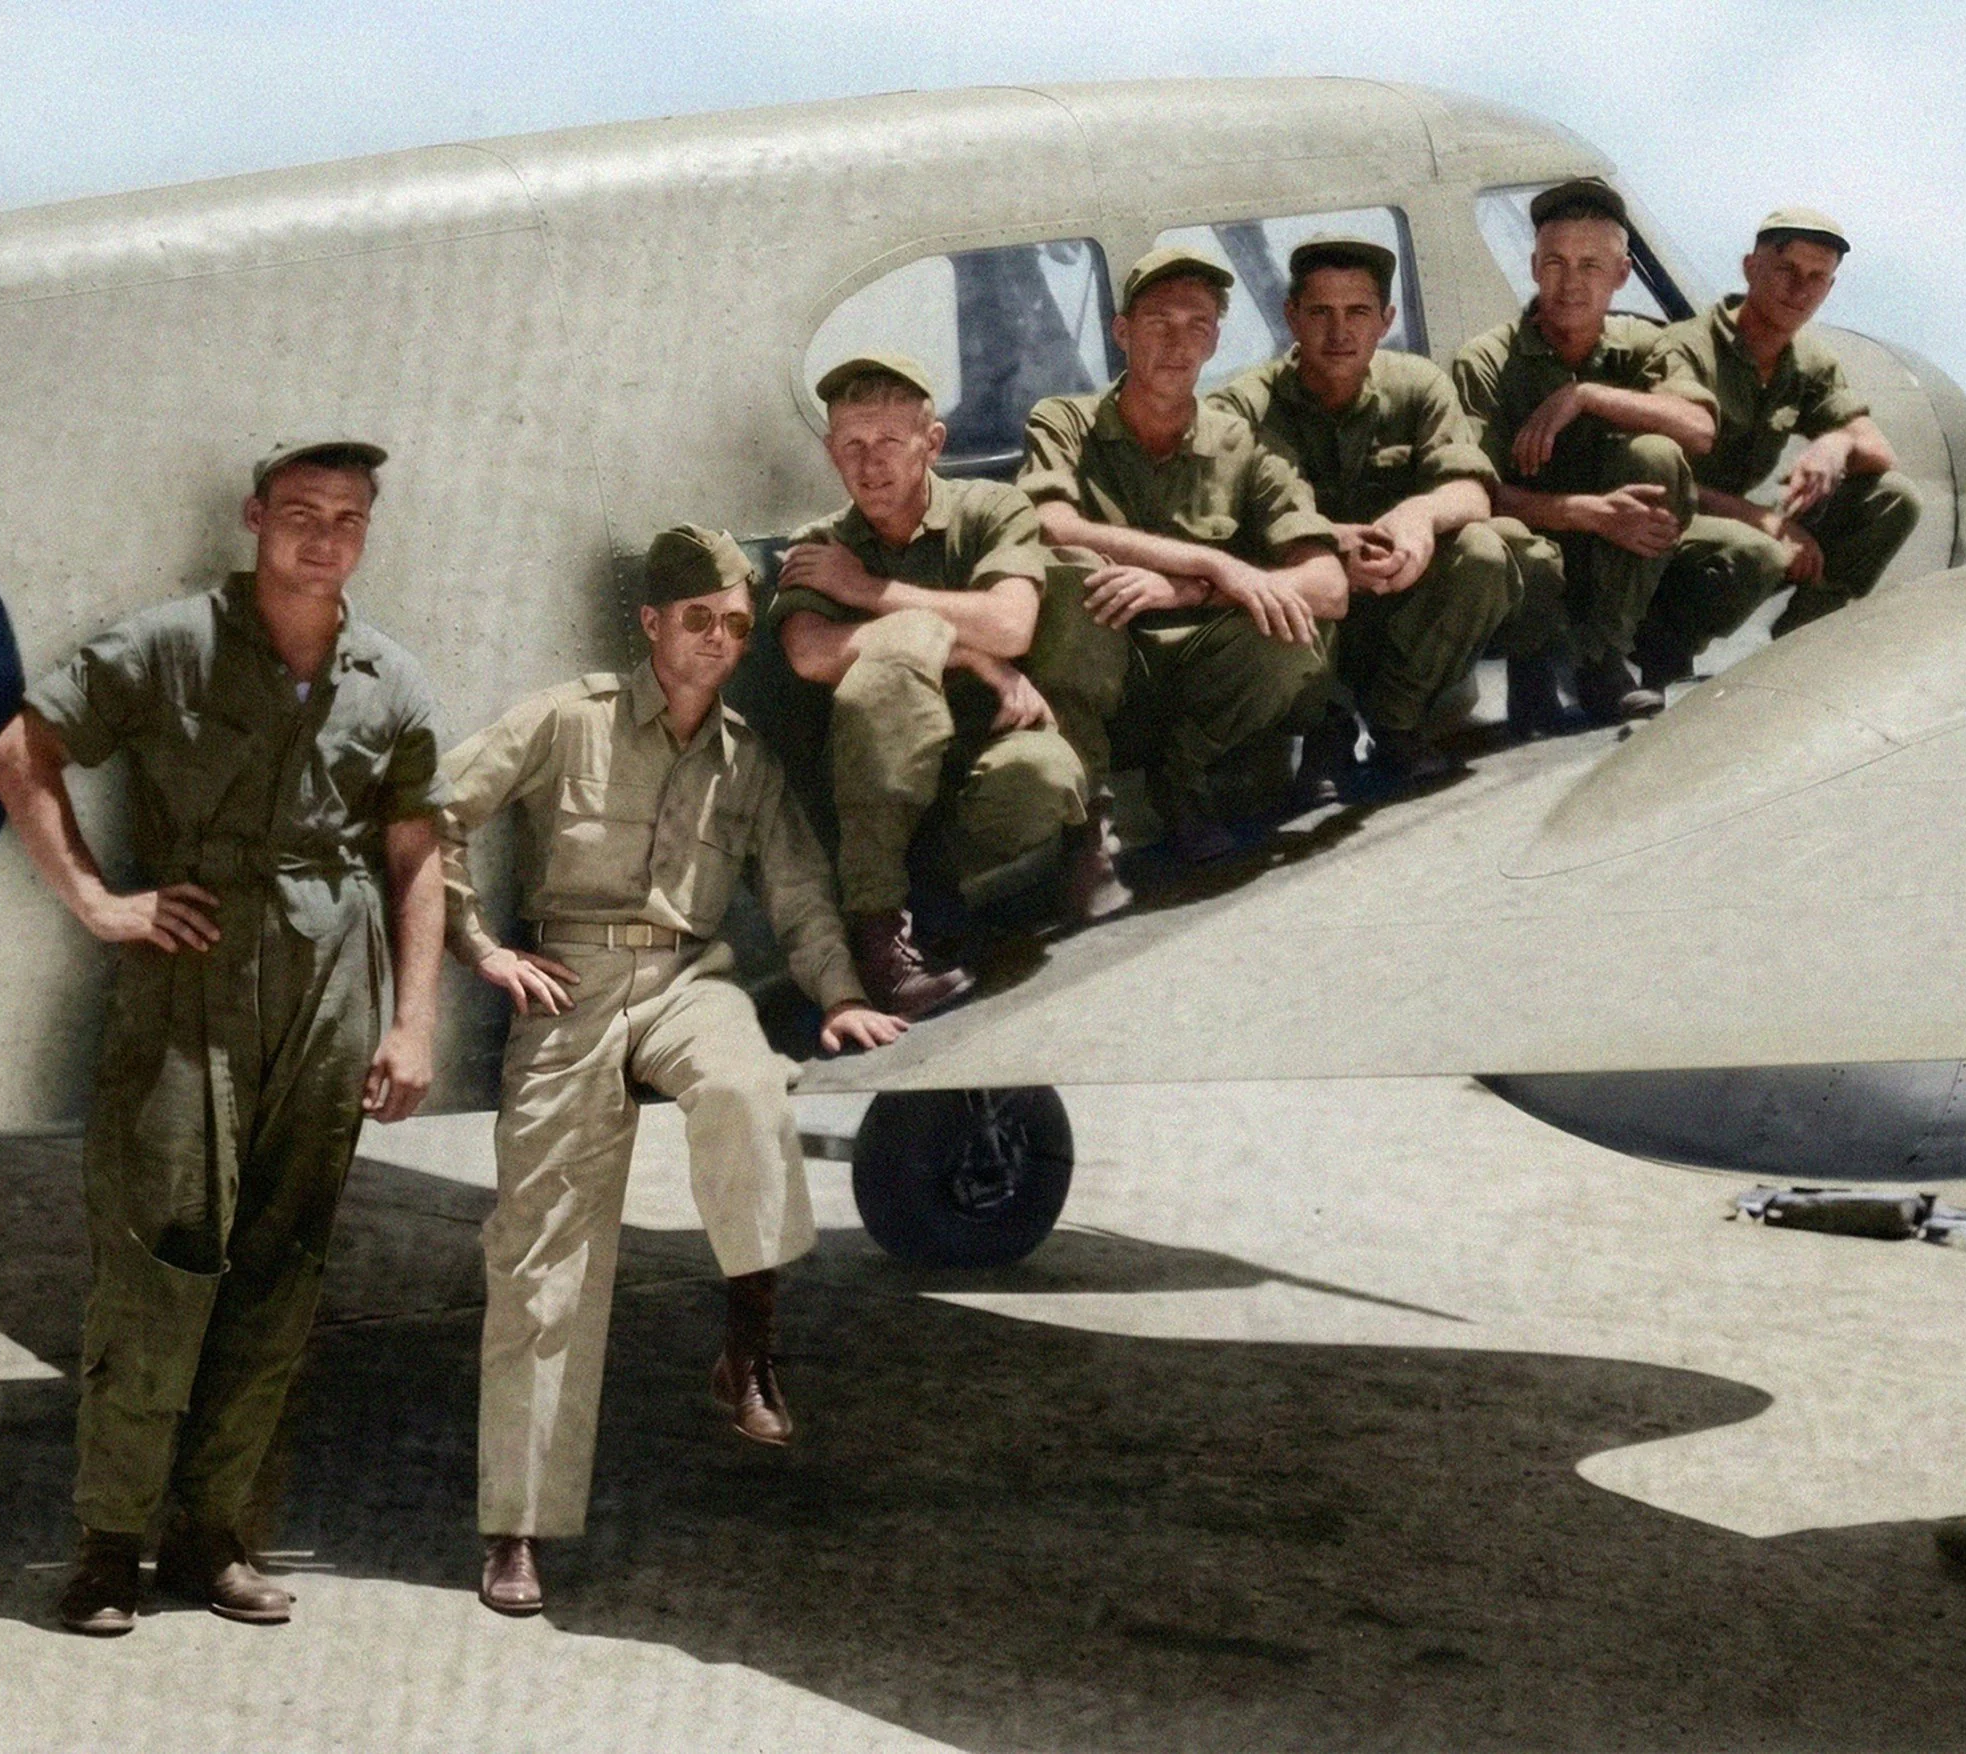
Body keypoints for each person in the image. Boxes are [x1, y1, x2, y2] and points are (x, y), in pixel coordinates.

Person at [0, 439, 447, 1637]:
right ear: (253, 517)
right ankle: (105, 1546)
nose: (323, 537)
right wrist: (99, 901)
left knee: (283, 1269)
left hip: (332, 973)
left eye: (347, 518)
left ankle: (213, 1537)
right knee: (163, 1262)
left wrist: (412, 1019)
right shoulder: (169, 643)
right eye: (300, 512)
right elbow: (21, 751)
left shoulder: (388, 676)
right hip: (189, 972)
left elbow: (414, 852)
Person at [438, 525, 905, 1620]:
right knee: (544, 1252)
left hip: (690, 977)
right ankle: (518, 1526)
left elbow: (794, 888)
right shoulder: (569, 719)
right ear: (652, 623)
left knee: (749, 1087)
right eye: (700, 619)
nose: (722, 640)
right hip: (572, 985)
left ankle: (747, 1348)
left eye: (738, 624)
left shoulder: (748, 758)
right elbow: (433, 808)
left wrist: (838, 994)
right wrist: (482, 947)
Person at [773, 354, 1104, 1013]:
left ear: (933, 443)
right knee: (882, 675)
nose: (871, 466)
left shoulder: (990, 510)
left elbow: (1011, 626)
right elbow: (812, 656)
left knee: (1045, 775)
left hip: (987, 750)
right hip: (883, 789)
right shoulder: (820, 547)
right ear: (831, 452)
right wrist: (966, 652)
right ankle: (880, 938)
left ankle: (1085, 829)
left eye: (890, 443)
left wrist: (867, 591)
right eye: (852, 446)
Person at [1017, 246, 1348, 862]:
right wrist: (1211, 561)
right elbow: (1051, 524)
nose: (1178, 344)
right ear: (1121, 333)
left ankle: (1184, 780)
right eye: (1158, 324)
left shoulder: (1246, 446)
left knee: (1295, 629)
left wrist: (1191, 589)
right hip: (1100, 670)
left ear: (1216, 341)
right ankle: (1086, 827)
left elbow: (1329, 585)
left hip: (1201, 678)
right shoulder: (1064, 422)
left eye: (1197, 327)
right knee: (1068, 578)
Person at [1212, 234, 1524, 790]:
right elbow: (1222, 525)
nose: (1339, 332)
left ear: (1385, 319)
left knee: (1488, 549)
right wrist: (1326, 548)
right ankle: (1322, 725)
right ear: (1291, 317)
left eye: (1358, 312)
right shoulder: (1243, 407)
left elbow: (1473, 490)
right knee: (1261, 580)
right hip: (1308, 604)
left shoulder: (1418, 384)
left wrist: (1420, 519)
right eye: (1320, 313)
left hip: (1393, 594)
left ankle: (1396, 720)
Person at [1449, 179, 1716, 724]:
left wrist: (1588, 396)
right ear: (1532, 267)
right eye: (1555, 263)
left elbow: (1698, 428)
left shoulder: (1644, 344)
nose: (1570, 283)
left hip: (1613, 561)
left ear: (1621, 275)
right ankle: (1535, 660)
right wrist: (1587, 515)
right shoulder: (1484, 361)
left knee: (1660, 458)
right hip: (1535, 557)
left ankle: (1600, 660)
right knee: (1504, 547)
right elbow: (1473, 493)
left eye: (1591, 266)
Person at [1634, 208, 1923, 682]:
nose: (1800, 289)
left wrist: (1834, 444)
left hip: (1734, 527)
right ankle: (1664, 646)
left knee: (1893, 498)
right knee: (1758, 552)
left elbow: (1878, 451)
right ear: (1751, 268)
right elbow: (1658, 476)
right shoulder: (1684, 348)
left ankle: (1804, 640)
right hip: (1658, 523)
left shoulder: (1807, 361)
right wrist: (1767, 522)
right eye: (1787, 270)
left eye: (1817, 278)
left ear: (1829, 289)